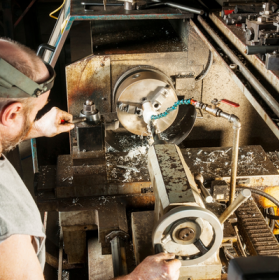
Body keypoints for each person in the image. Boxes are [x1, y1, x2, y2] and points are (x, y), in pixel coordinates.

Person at [0, 38, 181, 280]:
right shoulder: (8, 229)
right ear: (10, 114)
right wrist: (137, 278)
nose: (37, 116)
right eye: (35, 110)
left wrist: (36, 128)